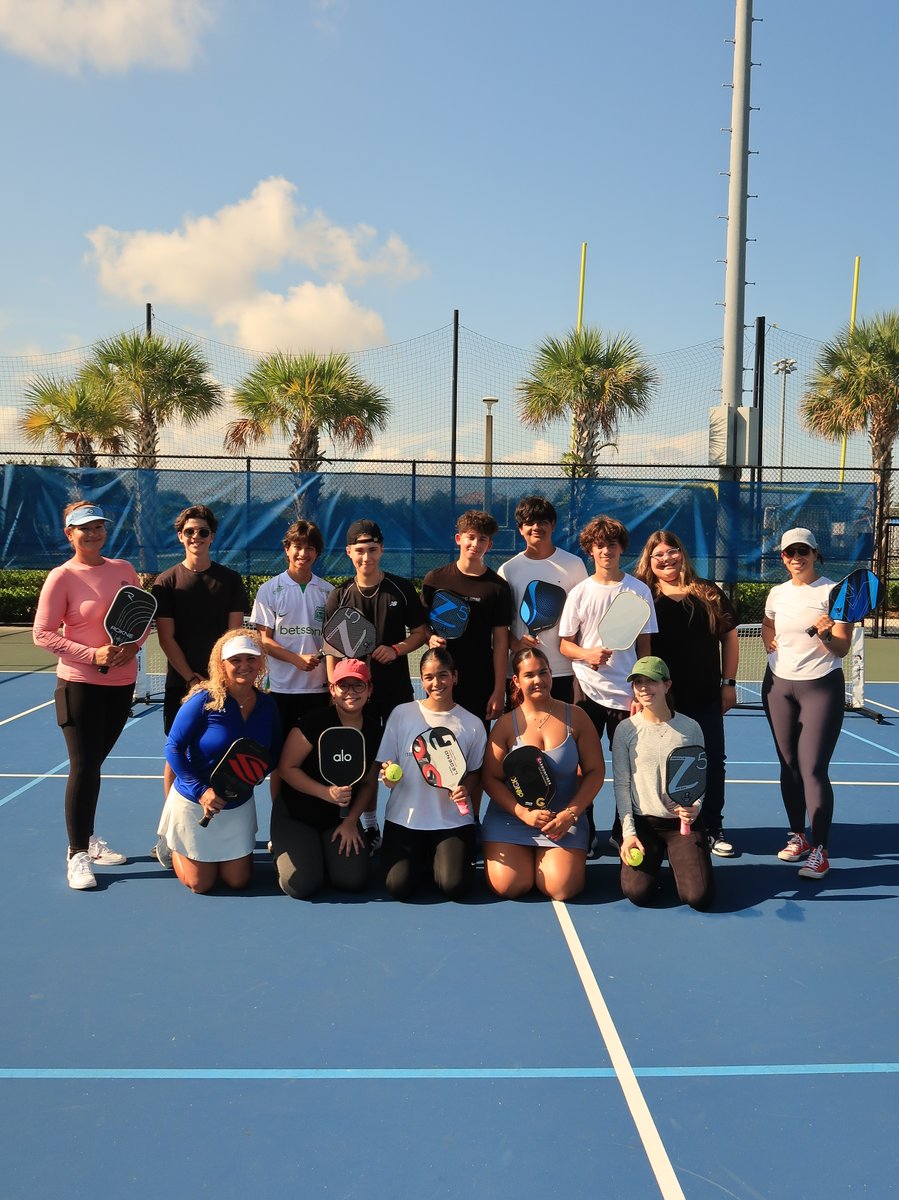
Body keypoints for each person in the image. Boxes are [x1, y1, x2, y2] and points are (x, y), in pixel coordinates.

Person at [33, 501, 147, 890]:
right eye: (84, 528)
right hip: (79, 686)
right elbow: (43, 633)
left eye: (98, 526)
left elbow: (140, 618)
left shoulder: (123, 570)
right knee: (83, 765)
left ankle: (89, 838)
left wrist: (132, 648)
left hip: (121, 686)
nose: (93, 533)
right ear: (70, 534)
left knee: (94, 764)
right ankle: (77, 852)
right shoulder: (61, 577)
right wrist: (91, 654)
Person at [325, 518, 430, 851]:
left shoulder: (400, 589)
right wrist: (336, 687)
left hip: (396, 694)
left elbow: (421, 633)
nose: (366, 557)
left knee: (401, 761)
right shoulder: (338, 595)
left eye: (372, 550)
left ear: (381, 550)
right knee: (362, 763)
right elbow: (331, 649)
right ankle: (368, 825)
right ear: (349, 552)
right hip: (355, 698)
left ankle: (408, 823)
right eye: (360, 551)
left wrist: (396, 648)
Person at [633, 529, 739, 857]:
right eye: (658, 554)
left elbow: (730, 637)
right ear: (649, 561)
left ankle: (711, 826)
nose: (667, 559)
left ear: (682, 553)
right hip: (662, 700)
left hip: (706, 695)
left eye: (672, 551)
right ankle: (660, 828)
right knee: (657, 763)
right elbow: (638, 647)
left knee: (711, 763)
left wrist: (728, 683)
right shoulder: (642, 596)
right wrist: (641, 692)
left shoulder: (707, 592)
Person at [151, 505, 248, 862]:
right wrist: (193, 678)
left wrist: (217, 679)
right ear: (181, 536)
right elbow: (166, 638)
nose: (196, 537)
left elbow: (233, 636)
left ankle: (225, 828)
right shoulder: (165, 582)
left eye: (203, 532)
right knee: (176, 754)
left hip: (224, 683)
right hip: (183, 684)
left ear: (212, 536)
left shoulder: (230, 581)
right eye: (190, 531)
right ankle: (169, 834)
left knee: (224, 751)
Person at [558, 514, 656, 853]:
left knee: (628, 768)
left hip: (626, 697)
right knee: (583, 765)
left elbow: (645, 646)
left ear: (620, 549)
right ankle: (583, 828)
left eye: (611, 545)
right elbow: (565, 644)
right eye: (599, 546)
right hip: (585, 691)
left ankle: (623, 829)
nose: (606, 551)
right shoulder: (581, 592)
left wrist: (640, 691)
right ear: (590, 550)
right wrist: (586, 655)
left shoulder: (639, 591)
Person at [761, 528, 853, 880]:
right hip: (779, 686)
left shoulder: (833, 592)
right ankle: (797, 835)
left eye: (803, 551)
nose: (796, 558)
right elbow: (769, 624)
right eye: (789, 553)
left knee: (812, 767)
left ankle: (821, 850)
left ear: (816, 553)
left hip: (821, 687)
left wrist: (827, 632)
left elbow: (842, 648)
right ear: (782, 558)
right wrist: (770, 641)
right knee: (788, 765)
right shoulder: (777, 593)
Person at [161, 630, 282, 894]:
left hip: (237, 803)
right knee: (200, 884)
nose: (244, 666)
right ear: (221, 665)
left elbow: (274, 751)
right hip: (195, 802)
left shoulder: (267, 705)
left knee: (237, 881)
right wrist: (202, 792)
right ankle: (173, 843)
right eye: (235, 660)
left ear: (260, 663)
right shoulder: (202, 700)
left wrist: (254, 774)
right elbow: (173, 747)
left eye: (251, 659)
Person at [480, 647, 605, 900]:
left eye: (543, 672)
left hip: (563, 819)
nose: (538, 680)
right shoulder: (505, 725)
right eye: (529, 675)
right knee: (509, 886)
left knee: (561, 888)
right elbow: (490, 779)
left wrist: (571, 814)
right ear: (516, 680)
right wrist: (523, 813)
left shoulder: (577, 717)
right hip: (512, 818)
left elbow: (595, 772)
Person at [377, 648, 486, 900]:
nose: (436, 683)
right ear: (421, 679)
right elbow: (387, 765)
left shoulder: (472, 724)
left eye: (443, 675)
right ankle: (423, 856)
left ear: (455, 677)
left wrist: (467, 787)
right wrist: (387, 775)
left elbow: (476, 772)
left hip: (451, 822)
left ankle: (433, 856)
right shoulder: (401, 714)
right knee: (398, 887)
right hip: (404, 820)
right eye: (429, 677)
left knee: (455, 887)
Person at [272, 659, 380, 898]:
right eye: (344, 686)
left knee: (353, 880)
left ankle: (320, 851)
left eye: (358, 685)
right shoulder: (313, 722)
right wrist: (325, 792)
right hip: (296, 815)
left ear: (369, 689)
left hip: (338, 821)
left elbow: (370, 783)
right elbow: (286, 768)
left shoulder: (374, 731)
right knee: (300, 885)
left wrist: (351, 821)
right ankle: (285, 848)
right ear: (332, 689)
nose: (351, 692)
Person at [613, 656, 714, 910]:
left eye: (651, 681)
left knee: (697, 897)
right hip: (644, 823)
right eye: (638, 682)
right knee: (637, 893)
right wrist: (628, 835)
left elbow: (698, 777)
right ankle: (655, 864)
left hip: (681, 824)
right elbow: (622, 786)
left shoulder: (690, 728)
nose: (644, 688)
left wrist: (695, 808)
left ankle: (688, 858)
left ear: (667, 685)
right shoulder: (625, 730)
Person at [421, 509, 513, 726]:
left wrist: (499, 690)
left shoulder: (498, 587)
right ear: (458, 539)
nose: (475, 544)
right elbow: (421, 625)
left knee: (477, 746)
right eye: (470, 537)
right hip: (440, 676)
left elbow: (501, 641)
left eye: (482, 539)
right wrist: (429, 638)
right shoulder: (434, 579)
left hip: (480, 678)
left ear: (489, 545)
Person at [498, 496, 588, 703]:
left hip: (562, 671)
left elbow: (584, 621)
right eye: (529, 523)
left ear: (553, 525)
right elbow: (501, 623)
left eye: (543, 522)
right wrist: (515, 643)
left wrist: (578, 670)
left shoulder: (574, 565)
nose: (536, 527)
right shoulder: (508, 569)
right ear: (521, 529)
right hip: (521, 672)